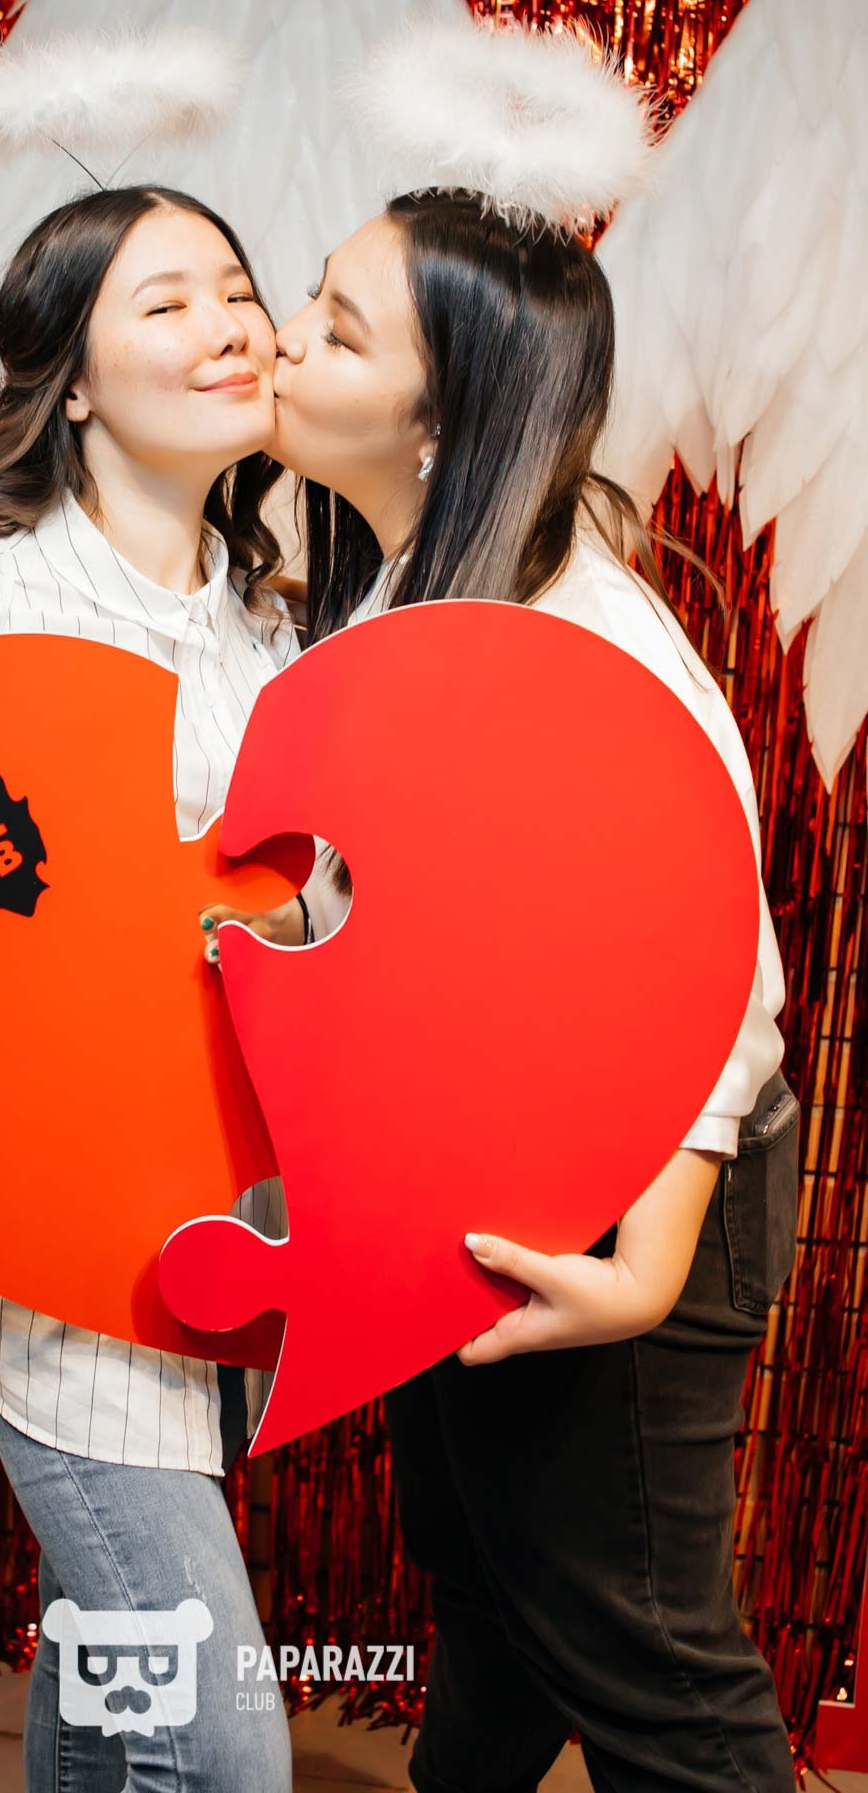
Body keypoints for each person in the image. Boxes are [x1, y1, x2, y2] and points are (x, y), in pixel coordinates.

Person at [241, 161, 800, 1790]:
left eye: (339, 330)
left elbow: (721, 974)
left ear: (440, 424)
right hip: (494, 1177)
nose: (284, 337)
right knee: (490, 1589)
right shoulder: (403, 577)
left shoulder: (585, 643)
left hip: (636, 1205)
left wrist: (644, 1272)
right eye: (312, 295)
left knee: (648, 1665)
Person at [0, 181, 301, 1793]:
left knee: (112, 1688)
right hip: (52, 1223)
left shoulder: (262, 623)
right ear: (70, 383)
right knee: (220, 1749)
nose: (227, 325)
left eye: (236, 289)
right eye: (166, 301)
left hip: (211, 1209)